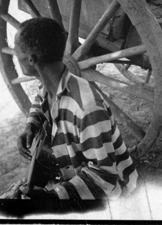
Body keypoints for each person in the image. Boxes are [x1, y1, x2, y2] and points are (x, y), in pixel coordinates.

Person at [14, 17, 138, 200]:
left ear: (31, 59)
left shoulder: (87, 109)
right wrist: (31, 126)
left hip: (117, 195)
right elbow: (40, 98)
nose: (16, 57)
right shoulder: (53, 85)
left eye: (17, 52)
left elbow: (105, 178)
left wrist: (52, 197)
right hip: (77, 175)